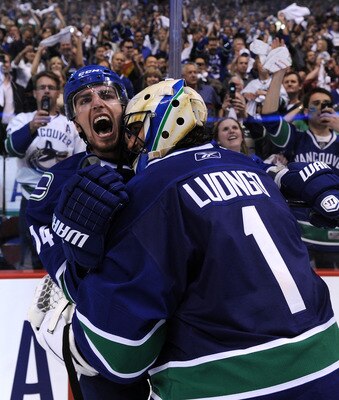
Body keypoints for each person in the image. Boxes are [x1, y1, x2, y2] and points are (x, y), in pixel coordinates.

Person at [31, 79, 339, 399]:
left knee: (80, 348)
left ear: (161, 123)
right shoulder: (252, 169)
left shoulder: (149, 190)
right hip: (327, 362)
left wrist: (79, 278)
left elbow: (119, 354)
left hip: (230, 382)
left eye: (135, 130)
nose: (134, 142)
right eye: (83, 100)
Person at [26, 65, 149, 399]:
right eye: (84, 100)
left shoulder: (159, 165)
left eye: (107, 95)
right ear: (76, 120)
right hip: (106, 323)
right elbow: (37, 222)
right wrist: (70, 270)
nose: (97, 103)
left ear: (126, 107)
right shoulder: (58, 182)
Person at [261, 39, 339, 268]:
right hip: (300, 226)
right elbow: (269, 119)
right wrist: (279, 72)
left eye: (328, 104)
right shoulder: (297, 137)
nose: (324, 107)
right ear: (306, 111)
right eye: (317, 104)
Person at [5, 70, 85, 269]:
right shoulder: (21, 120)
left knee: (62, 254)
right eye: (42, 88)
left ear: (58, 92)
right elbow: (11, 148)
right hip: (30, 198)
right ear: (34, 93)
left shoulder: (71, 124)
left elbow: (81, 161)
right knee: (31, 257)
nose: (46, 91)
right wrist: (31, 128)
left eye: (51, 87)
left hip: (61, 199)